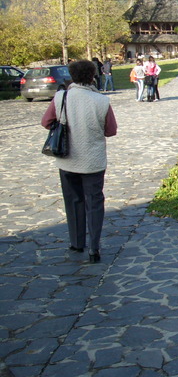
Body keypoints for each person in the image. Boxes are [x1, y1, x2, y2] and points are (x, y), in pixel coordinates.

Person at [41, 60, 118, 263]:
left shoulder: (61, 97)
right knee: (94, 203)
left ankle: (77, 242)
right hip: (93, 160)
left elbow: (46, 122)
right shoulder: (101, 101)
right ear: (92, 76)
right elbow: (111, 130)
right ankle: (94, 247)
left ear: (72, 76)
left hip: (67, 159)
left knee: (73, 200)